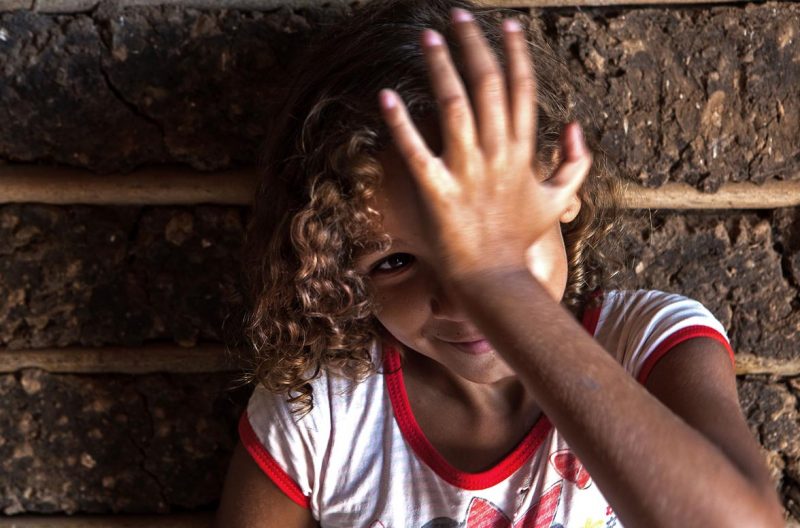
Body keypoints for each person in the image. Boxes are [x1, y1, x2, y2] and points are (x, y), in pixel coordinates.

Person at [214, 0, 785, 526]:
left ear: (564, 184)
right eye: (396, 261)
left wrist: (500, 282)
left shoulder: (647, 345)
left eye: (500, 237)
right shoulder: (323, 413)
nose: (463, 298)